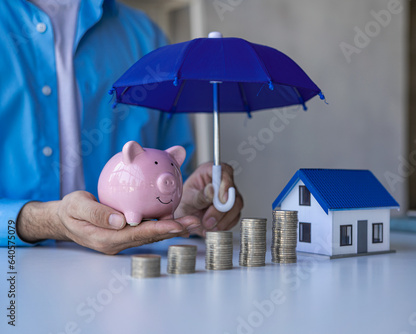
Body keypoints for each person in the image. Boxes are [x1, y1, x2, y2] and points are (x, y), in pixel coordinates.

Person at [0, 0, 243, 254]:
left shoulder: (147, 38)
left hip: (133, 272)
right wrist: (44, 221)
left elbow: (175, 170)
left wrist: (189, 202)